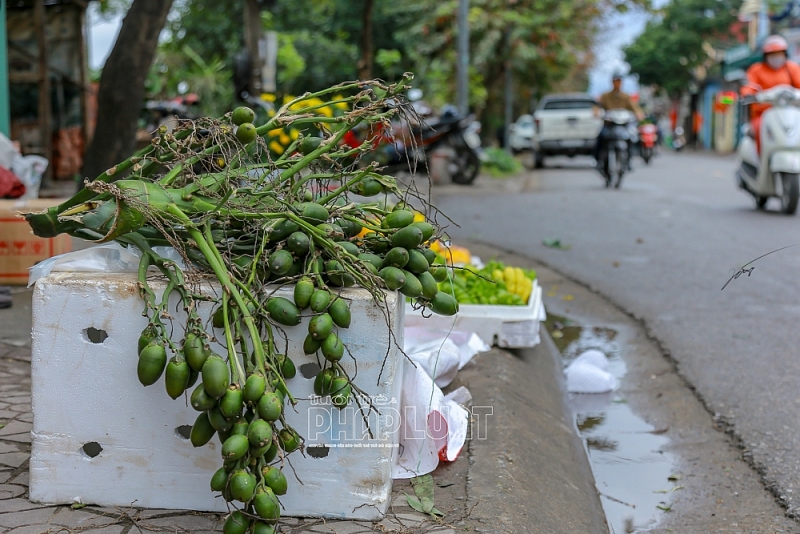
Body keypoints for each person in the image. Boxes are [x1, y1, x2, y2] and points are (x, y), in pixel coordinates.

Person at [740, 35, 800, 153]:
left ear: (785, 54)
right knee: (759, 129)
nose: (776, 58)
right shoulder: (756, 69)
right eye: (772, 54)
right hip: (762, 114)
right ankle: (761, 162)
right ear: (765, 56)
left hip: (790, 113)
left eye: (779, 54)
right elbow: (748, 86)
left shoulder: (791, 68)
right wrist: (748, 94)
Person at [593, 73, 645, 169]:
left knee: (630, 139)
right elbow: (597, 106)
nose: (617, 83)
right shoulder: (605, 96)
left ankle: (628, 161)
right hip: (609, 125)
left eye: (619, 81)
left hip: (623, 125)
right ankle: (597, 161)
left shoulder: (626, 96)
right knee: (600, 137)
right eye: (615, 81)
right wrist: (596, 112)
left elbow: (634, 107)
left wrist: (639, 114)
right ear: (612, 82)